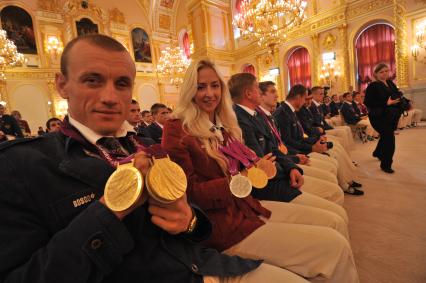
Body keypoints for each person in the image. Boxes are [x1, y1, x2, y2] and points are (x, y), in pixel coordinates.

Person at [0, 34, 277, 283]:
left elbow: (194, 222)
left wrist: (190, 221)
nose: (110, 97)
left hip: (202, 265)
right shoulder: (22, 165)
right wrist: (110, 212)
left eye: (121, 84)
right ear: (62, 85)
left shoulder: (147, 147)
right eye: (93, 80)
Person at [162, 58, 359, 283]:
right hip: (224, 227)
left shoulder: (224, 124)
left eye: (215, 85)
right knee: (333, 247)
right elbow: (189, 193)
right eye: (200, 86)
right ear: (189, 90)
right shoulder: (176, 128)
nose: (209, 93)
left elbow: (249, 163)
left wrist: (260, 167)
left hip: (250, 208)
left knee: (333, 228)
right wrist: (243, 179)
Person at [231, 74, 345, 206]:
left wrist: (292, 167)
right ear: (249, 94)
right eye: (258, 88)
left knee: (331, 181)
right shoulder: (241, 119)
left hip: (281, 168)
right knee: (333, 193)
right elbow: (262, 164)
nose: (277, 96)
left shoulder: (255, 116)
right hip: (269, 183)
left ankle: (345, 184)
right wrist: (294, 162)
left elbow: (274, 148)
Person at [364, 63, 402, 173]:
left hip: (391, 115)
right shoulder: (373, 86)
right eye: (381, 72)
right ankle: (386, 164)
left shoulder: (390, 82)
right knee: (390, 139)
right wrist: (386, 102)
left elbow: (395, 93)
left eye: (386, 71)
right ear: (376, 74)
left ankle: (377, 152)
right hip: (378, 117)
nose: (384, 73)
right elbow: (368, 102)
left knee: (386, 136)